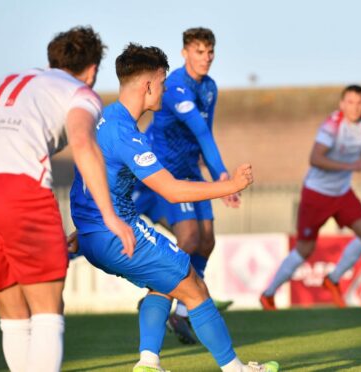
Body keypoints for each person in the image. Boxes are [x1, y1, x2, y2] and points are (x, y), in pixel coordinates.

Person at [70, 43, 278, 372]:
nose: (165, 89)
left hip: (92, 232)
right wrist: (232, 185)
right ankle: (236, 369)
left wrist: (84, 231)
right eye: (163, 82)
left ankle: (149, 362)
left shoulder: (103, 118)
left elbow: (89, 179)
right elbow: (172, 190)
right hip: (118, 234)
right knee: (194, 287)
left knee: (164, 284)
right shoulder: (127, 134)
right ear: (148, 85)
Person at [0, 26, 134, 372]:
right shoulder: (79, 92)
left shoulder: (8, 81)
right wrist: (110, 216)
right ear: (93, 70)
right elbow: (84, 143)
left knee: (13, 315)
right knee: (46, 311)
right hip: (19, 190)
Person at [133, 27, 235, 344]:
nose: (205, 58)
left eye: (209, 52)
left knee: (206, 243)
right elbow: (202, 132)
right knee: (189, 239)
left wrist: (210, 167)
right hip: (167, 173)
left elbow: (205, 133)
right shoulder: (175, 85)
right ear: (184, 53)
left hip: (191, 169)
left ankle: (182, 311)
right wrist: (223, 177)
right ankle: (157, 296)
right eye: (198, 51)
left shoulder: (210, 88)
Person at [260, 85, 361, 310]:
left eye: (360, 103)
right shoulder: (332, 125)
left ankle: (333, 279)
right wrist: (350, 165)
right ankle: (268, 294)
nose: (355, 107)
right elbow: (315, 158)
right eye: (350, 102)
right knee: (305, 249)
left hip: (342, 193)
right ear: (342, 104)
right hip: (317, 193)